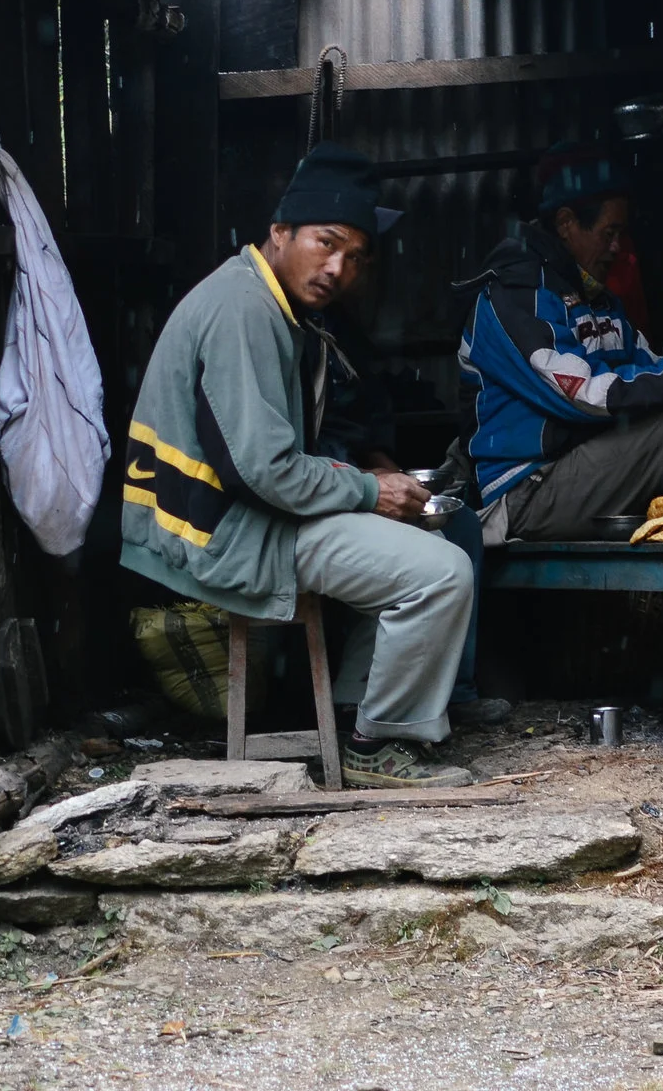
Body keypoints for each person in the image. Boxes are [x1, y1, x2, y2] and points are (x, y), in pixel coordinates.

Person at [118, 143, 477, 787]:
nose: (338, 268)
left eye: (356, 258)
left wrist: (369, 488)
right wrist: (368, 489)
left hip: (236, 518)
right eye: (326, 243)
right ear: (279, 234)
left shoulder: (270, 302)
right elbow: (265, 470)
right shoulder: (244, 310)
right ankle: (380, 744)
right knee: (442, 572)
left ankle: (355, 714)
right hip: (220, 532)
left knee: (425, 535)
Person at [458, 144, 663, 542]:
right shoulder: (514, 296)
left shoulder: (595, 297)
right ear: (566, 223)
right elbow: (588, 393)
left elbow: (652, 366)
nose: (618, 247)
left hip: (583, 466)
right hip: (524, 491)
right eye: (610, 233)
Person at [309, 297, 509, 730]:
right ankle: (366, 708)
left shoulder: (343, 334)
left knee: (461, 524)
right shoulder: (286, 327)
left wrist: (393, 475)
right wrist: (367, 483)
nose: (343, 271)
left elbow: (361, 425)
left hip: (351, 476)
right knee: (429, 555)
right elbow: (292, 462)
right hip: (317, 495)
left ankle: (453, 690)